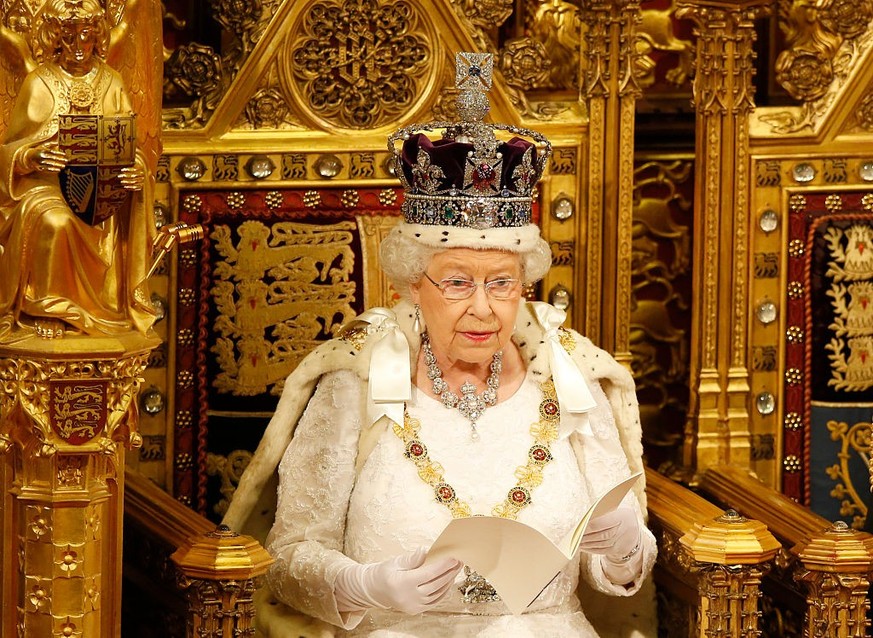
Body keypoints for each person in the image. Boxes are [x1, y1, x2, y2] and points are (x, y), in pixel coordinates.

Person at [223, 52, 656, 637]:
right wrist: (362, 586)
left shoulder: (569, 375)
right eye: (456, 281)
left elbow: (618, 573)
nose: (483, 306)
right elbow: (292, 555)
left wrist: (627, 544)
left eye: (502, 283)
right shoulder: (354, 379)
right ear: (411, 284)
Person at [0, 0, 155, 340]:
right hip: (46, 189)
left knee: (97, 216)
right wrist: (32, 158)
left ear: (98, 37)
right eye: (69, 36)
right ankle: (49, 308)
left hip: (101, 192)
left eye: (86, 35)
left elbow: (129, 148)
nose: (78, 45)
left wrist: (134, 173)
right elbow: (9, 151)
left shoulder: (111, 82)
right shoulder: (39, 82)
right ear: (55, 37)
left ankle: (102, 308)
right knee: (56, 221)